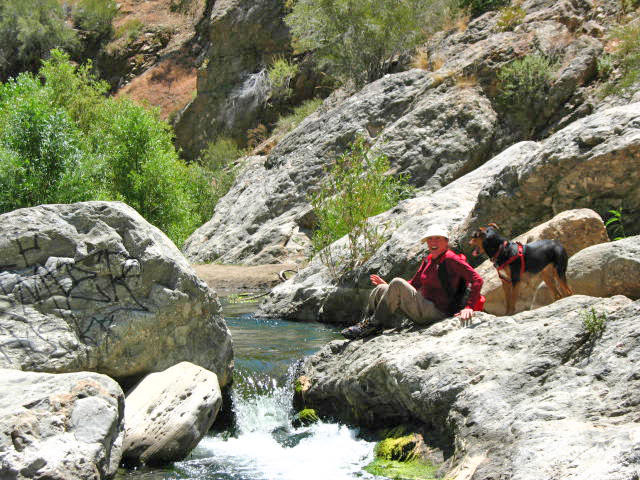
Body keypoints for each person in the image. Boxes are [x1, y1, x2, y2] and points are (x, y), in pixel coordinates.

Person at [341, 224, 484, 339]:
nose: (433, 242)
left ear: (446, 241)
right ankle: (367, 323)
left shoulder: (451, 259)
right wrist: (388, 286)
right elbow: (413, 284)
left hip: (438, 311)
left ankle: (373, 325)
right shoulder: (429, 259)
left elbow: (477, 279)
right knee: (381, 289)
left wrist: (469, 307)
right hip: (423, 306)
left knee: (396, 282)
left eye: (437, 239)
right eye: (430, 239)